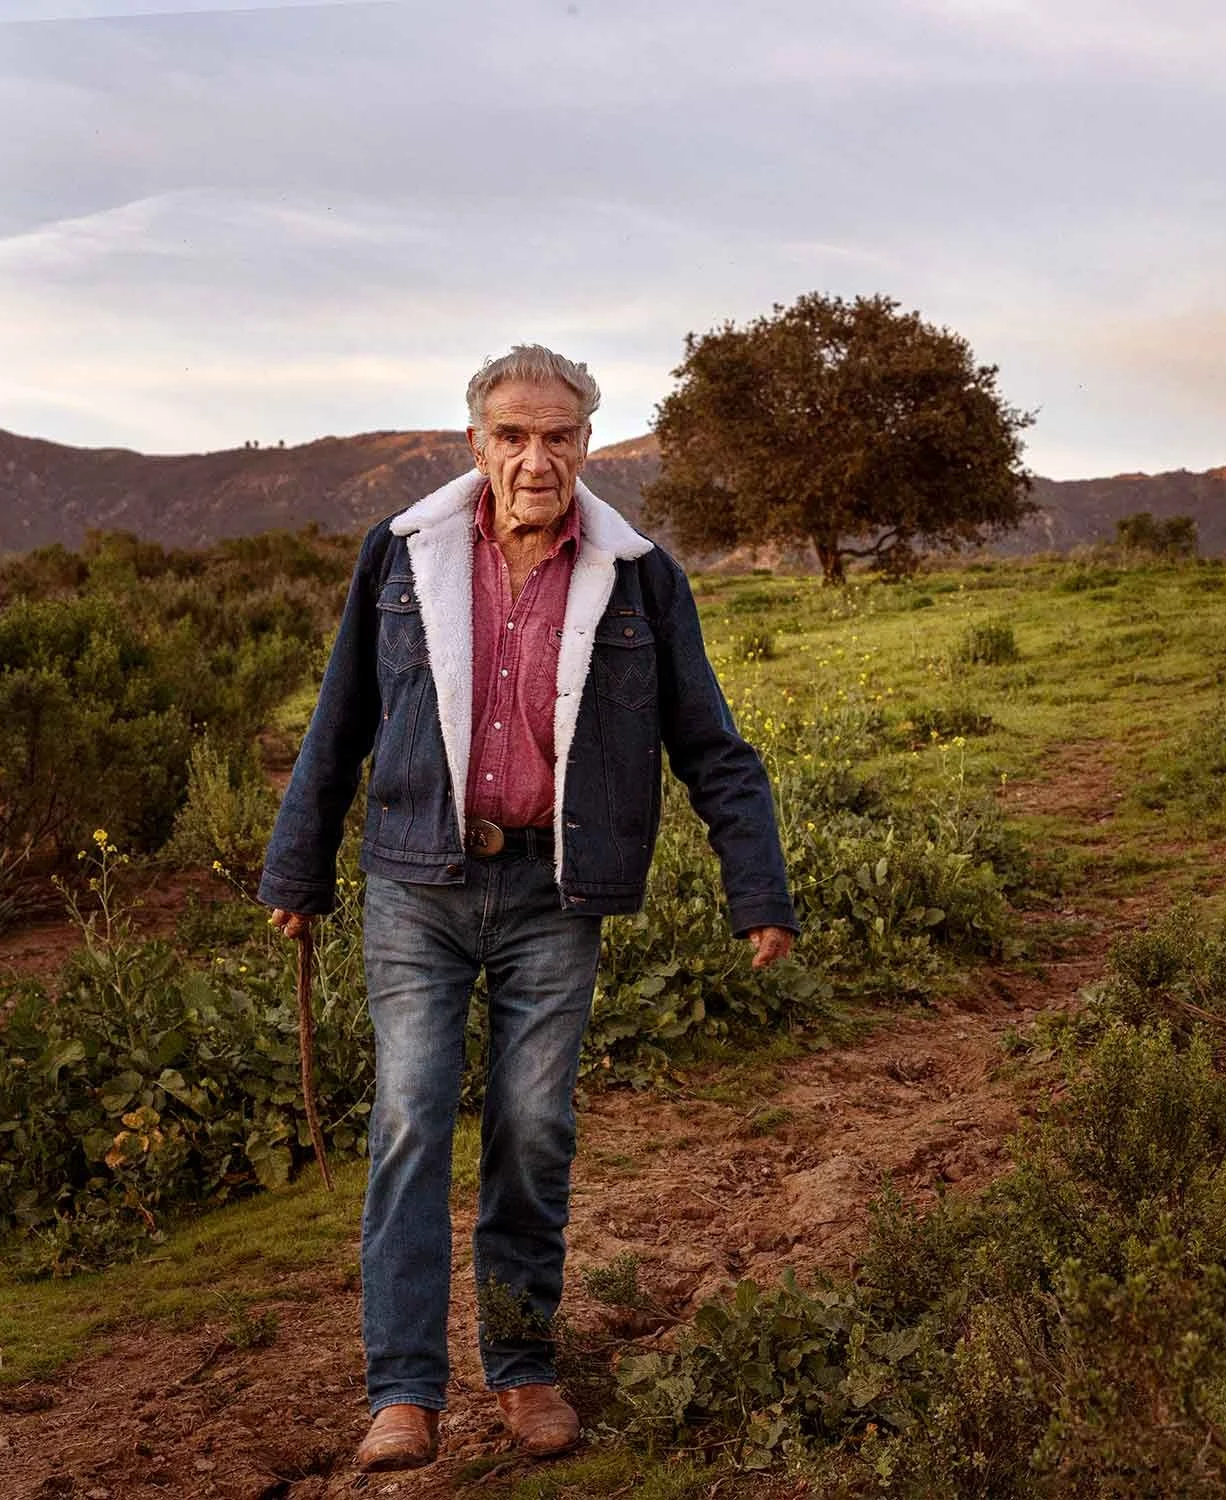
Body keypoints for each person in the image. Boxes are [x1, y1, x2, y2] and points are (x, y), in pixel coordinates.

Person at [258, 344, 796, 1472]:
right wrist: (296, 873)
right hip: (419, 881)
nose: (534, 458)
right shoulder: (402, 556)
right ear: (476, 444)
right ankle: (403, 1393)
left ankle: (522, 1370)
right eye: (512, 435)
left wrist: (759, 887)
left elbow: (710, 745)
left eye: (558, 436)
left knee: (532, 1129)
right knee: (410, 1119)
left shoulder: (638, 575)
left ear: (587, 444)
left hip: (558, 887)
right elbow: (339, 718)